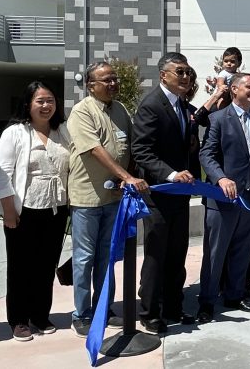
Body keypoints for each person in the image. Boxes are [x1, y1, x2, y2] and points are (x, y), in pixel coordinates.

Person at [67, 61, 149, 337]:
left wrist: (131, 174)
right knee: (84, 257)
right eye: (106, 80)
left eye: (114, 78)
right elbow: (95, 150)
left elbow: (130, 145)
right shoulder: (82, 112)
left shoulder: (121, 110)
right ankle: (82, 313)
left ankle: (104, 307)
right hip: (87, 197)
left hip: (113, 197)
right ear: (91, 86)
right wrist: (127, 176)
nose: (113, 83)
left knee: (107, 255)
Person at [0, 82, 70, 341]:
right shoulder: (15, 132)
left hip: (56, 209)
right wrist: (9, 211)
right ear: (28, 104)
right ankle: (18, 319)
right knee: (20, 267)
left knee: (46, 266)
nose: (46, 106)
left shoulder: (62, 131)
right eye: (40, 101)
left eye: (50, 100)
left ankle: (40, 315)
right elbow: (2, 175)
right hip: (24, 210)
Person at [197, 72, 250, 323]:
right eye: (249, 87)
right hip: (222, 200)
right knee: (215, 253)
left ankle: (235, 294)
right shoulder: (218, 119)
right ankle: (207, 301)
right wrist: (220, 178)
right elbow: (206, 155)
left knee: (243, 251)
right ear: (234, 89)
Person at [131, 53, 200, 334]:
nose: (186, 78)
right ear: (164, 75)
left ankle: (173, 305)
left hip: (180, 196)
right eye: (180, 72)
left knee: (177, 254)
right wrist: (172, 174)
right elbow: (142, 150)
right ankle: (149, 313)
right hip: (158, 194)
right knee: (156, 256)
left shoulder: (183, 105)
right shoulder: (151, 106)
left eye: (188, 73)